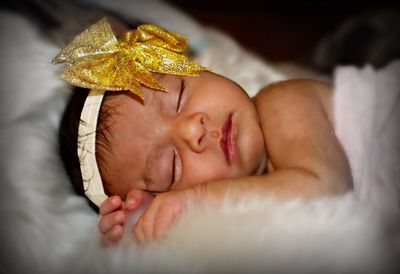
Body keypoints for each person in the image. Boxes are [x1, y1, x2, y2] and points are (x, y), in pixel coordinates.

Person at [57, 19, 352, 246]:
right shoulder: (255, 196)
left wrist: (196, 199)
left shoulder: (283, 103)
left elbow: (325, 191)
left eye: (180, 97)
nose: (191, 129)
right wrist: (142, 222)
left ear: (196, 68)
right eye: (170, 167)